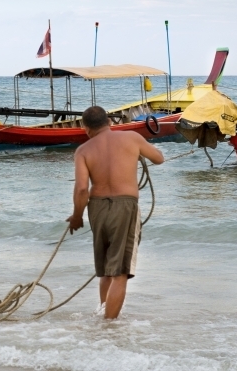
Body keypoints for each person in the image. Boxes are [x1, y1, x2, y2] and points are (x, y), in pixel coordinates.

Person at [66, 106, 164, 319]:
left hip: (97, 208)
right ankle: (108, 328)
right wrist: (135, 153)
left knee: (105, 268)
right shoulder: (131, 137)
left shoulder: (83, 150)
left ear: (85, 128)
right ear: (110, 122)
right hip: (125, 206)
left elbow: (82, 188)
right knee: (119, 272)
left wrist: (76, 216)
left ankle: (103, 311)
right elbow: (159, 158)